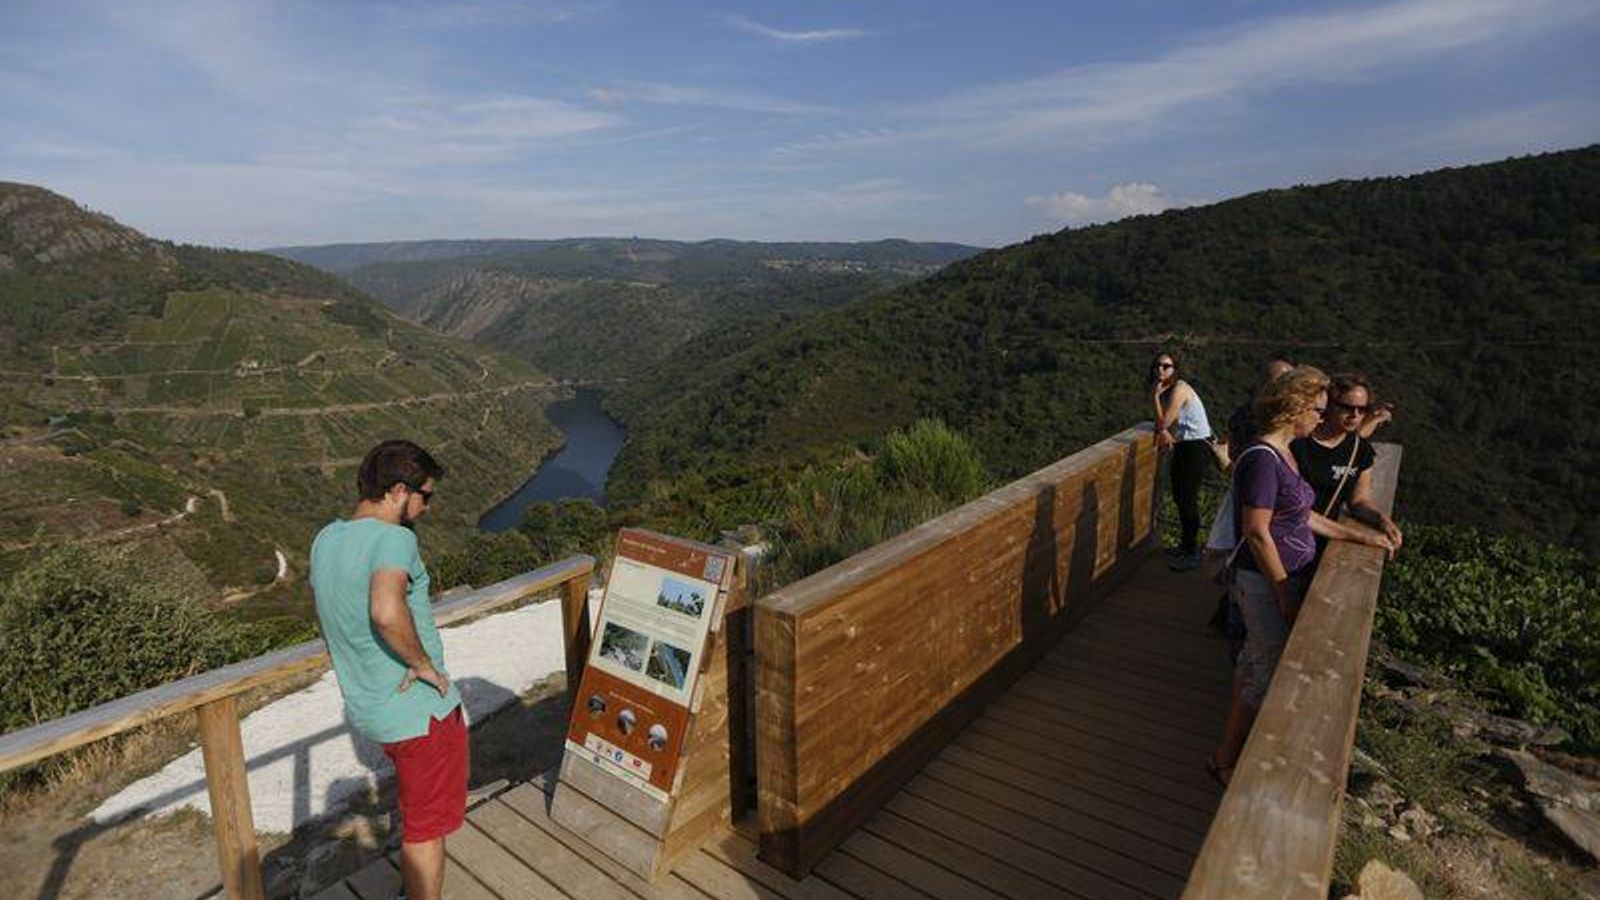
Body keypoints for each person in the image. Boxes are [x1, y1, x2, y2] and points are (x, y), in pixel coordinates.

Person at [1206, 368, 1395, 785]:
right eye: (1319, 410)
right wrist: (1282, 591)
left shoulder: (1286, 453)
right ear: (1296, 408)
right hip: (1263, 583)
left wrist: (1358, 536)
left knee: (1256, 663)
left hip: (1280, 578)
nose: (1321, 418)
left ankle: (1234, 751)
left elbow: (1300, 515)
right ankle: (1225, 760)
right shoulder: (1263, 459)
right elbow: (1257, 532)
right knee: (1264, 669)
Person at [310, 440, 463, 900]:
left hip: (371, 707)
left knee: (415, 812)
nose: (427, 508)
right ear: (399, 491)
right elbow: (385, 611)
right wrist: (424, 666)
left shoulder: (326, 540)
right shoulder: (395, 539)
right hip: (420, 713)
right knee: (425, 830)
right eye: (425, 496)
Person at [1292, 372, 1404, 550]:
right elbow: (1289, 505)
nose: (1355, 415)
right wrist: (1360, 537)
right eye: (1347, 408)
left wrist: (1382, 520)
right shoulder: (1298, 443)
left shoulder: (1360, 450)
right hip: (1286, 537)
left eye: (1362, 409)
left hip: (1320, 543)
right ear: (1329, 405)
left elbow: (1358, 501)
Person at [1149, 351, 1215, 571]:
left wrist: (1155, 397)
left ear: (1175, 369)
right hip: (1185, 446)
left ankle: (1192, 552)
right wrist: (1164, 429)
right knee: (1180, 497)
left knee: (1187, 499)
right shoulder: (1170, 389)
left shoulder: (1179, 389)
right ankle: (1185, 546)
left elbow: (1163, 423)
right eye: (1157, 366)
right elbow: (1163, 425)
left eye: (1166, 366)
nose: (1160, 370)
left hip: (1195, 448)